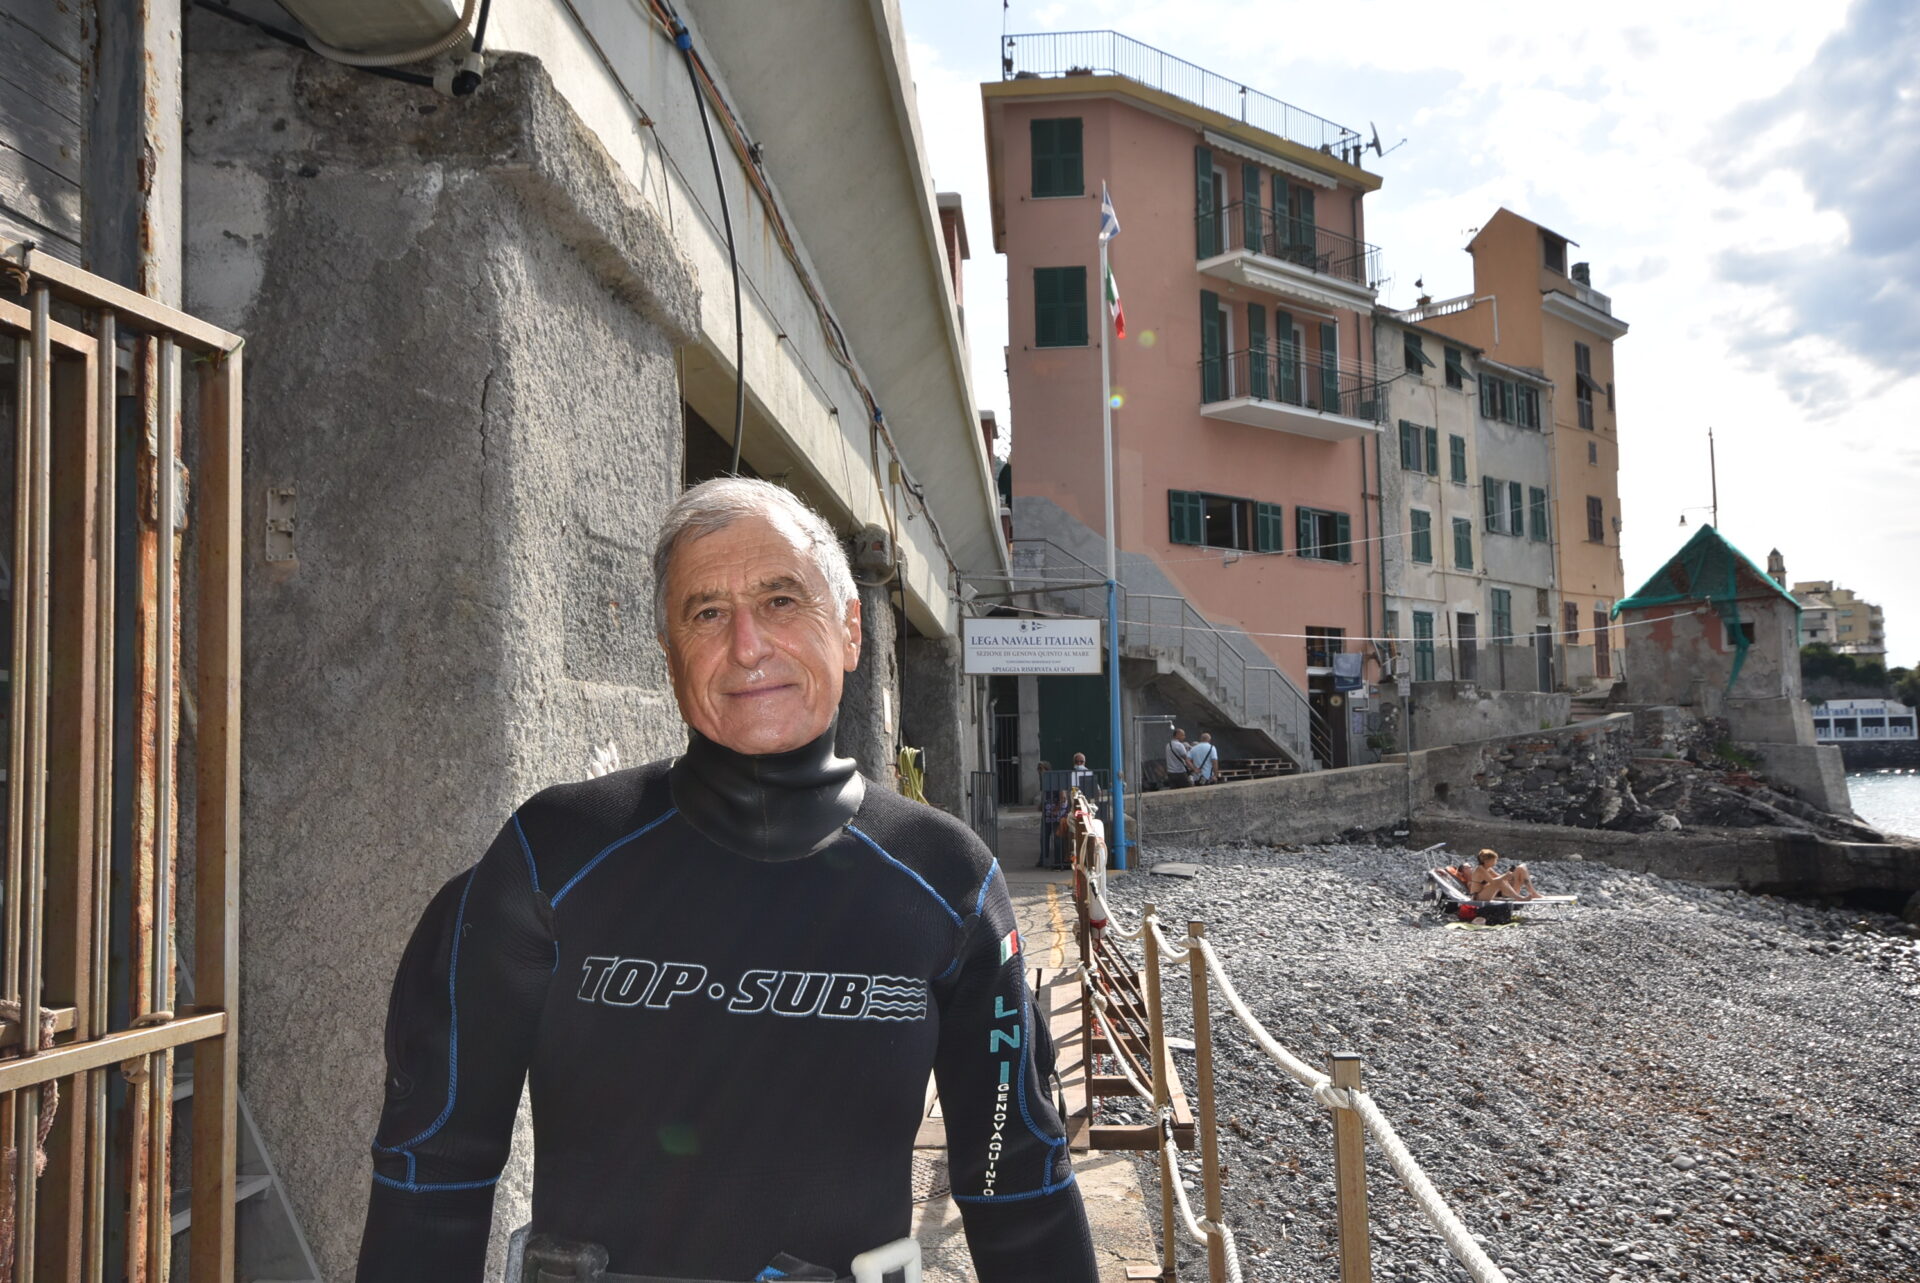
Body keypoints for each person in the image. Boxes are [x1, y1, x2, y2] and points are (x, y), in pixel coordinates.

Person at [356, 478, 1097, 1282]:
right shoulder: (554, 858)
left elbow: (1014, 1182)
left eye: (782, 600)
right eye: (706, 612)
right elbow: (433, 1168)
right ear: (671, 652)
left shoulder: (946, 881)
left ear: (850, 629)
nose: (747, 644)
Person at [1465, 847, 1540, 901]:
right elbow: (1493, 882)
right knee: (1499, 881)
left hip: (1484, 893)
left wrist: (1508, 875)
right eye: (1493, 860)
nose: (1495, 862)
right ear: (1486, 861)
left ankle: (1516, 896)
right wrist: (1504, 876)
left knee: (1501, 880)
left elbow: (1499, 877)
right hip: (1477, 897)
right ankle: (1518, 898)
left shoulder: (1488, 869)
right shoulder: (1480, 869)